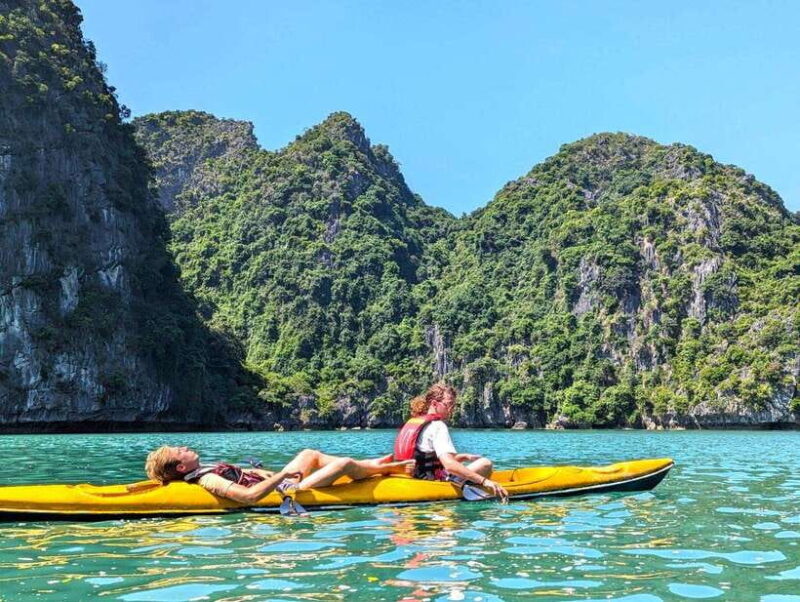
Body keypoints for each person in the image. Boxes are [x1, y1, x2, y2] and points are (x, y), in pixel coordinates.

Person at [145, 446, 413, 505]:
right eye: (180, 451)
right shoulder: (206, 479)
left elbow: (240, 474)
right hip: (286, 490)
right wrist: (282, 474)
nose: (185, 448)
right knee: (343, 464)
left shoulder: (203, 468)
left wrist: (258, 471)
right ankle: (387, 469)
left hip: (279, 482)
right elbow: (249, 496)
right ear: (181, 468)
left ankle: (369, 464)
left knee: (309, 454)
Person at [393, 384, 509, 501]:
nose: (451, 409)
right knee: (485, 463)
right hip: (431, 484)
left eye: (453, 405)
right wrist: (484, 481)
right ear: (434, 404)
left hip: (410, 479)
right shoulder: (438, 426)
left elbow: (426, 459)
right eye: (448, 404)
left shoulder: (415, 423)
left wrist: (464, 457)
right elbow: (449, 465)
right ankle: (458, 484)